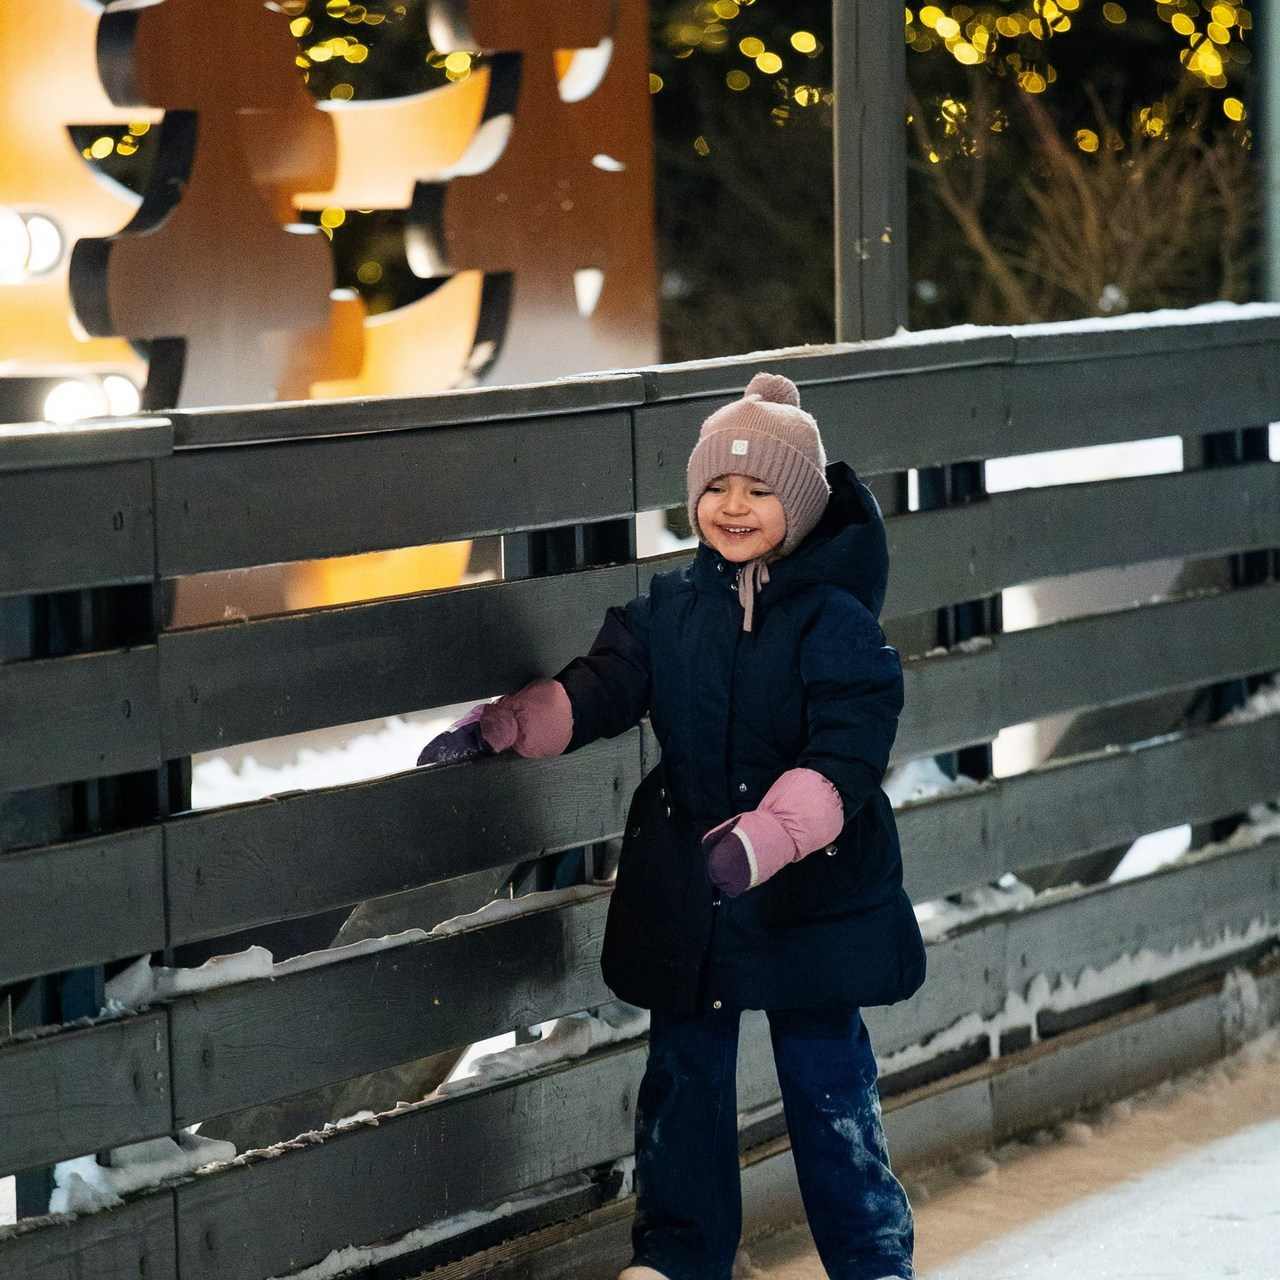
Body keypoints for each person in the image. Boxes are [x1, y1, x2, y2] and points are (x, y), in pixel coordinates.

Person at [418, 372, 926, 1280]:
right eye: (717, 488)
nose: (733, 507)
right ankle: (680, 1259)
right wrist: (511, 722)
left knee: (826, 1082)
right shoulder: (671, 611)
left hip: (809, 891)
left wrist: (768, 837)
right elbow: (602, 684)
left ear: (802, 508)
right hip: (696, 890)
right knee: (684, 1079)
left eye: (760, 490)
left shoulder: (836, 623)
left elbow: (848, 754)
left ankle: (870, 1258)